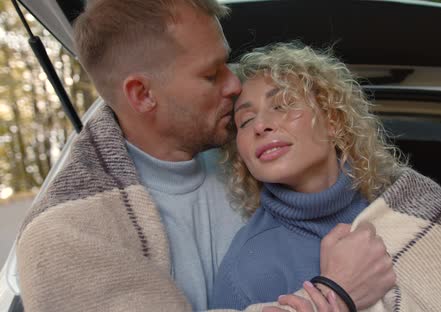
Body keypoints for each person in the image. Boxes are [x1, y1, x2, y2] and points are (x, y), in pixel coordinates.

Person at [15, 1, 395, 311]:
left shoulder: (251, 149)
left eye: (225, 62)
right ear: (143, 95)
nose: (234, 83)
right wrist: (333, 296)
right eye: (211, 75)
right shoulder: (67, 236)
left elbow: (379, 179)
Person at [210, 43, 441, 312]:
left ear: (333, 121)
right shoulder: (244, 268)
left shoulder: (418, 206)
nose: (259, 125)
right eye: (244, 121)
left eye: (283, 104)